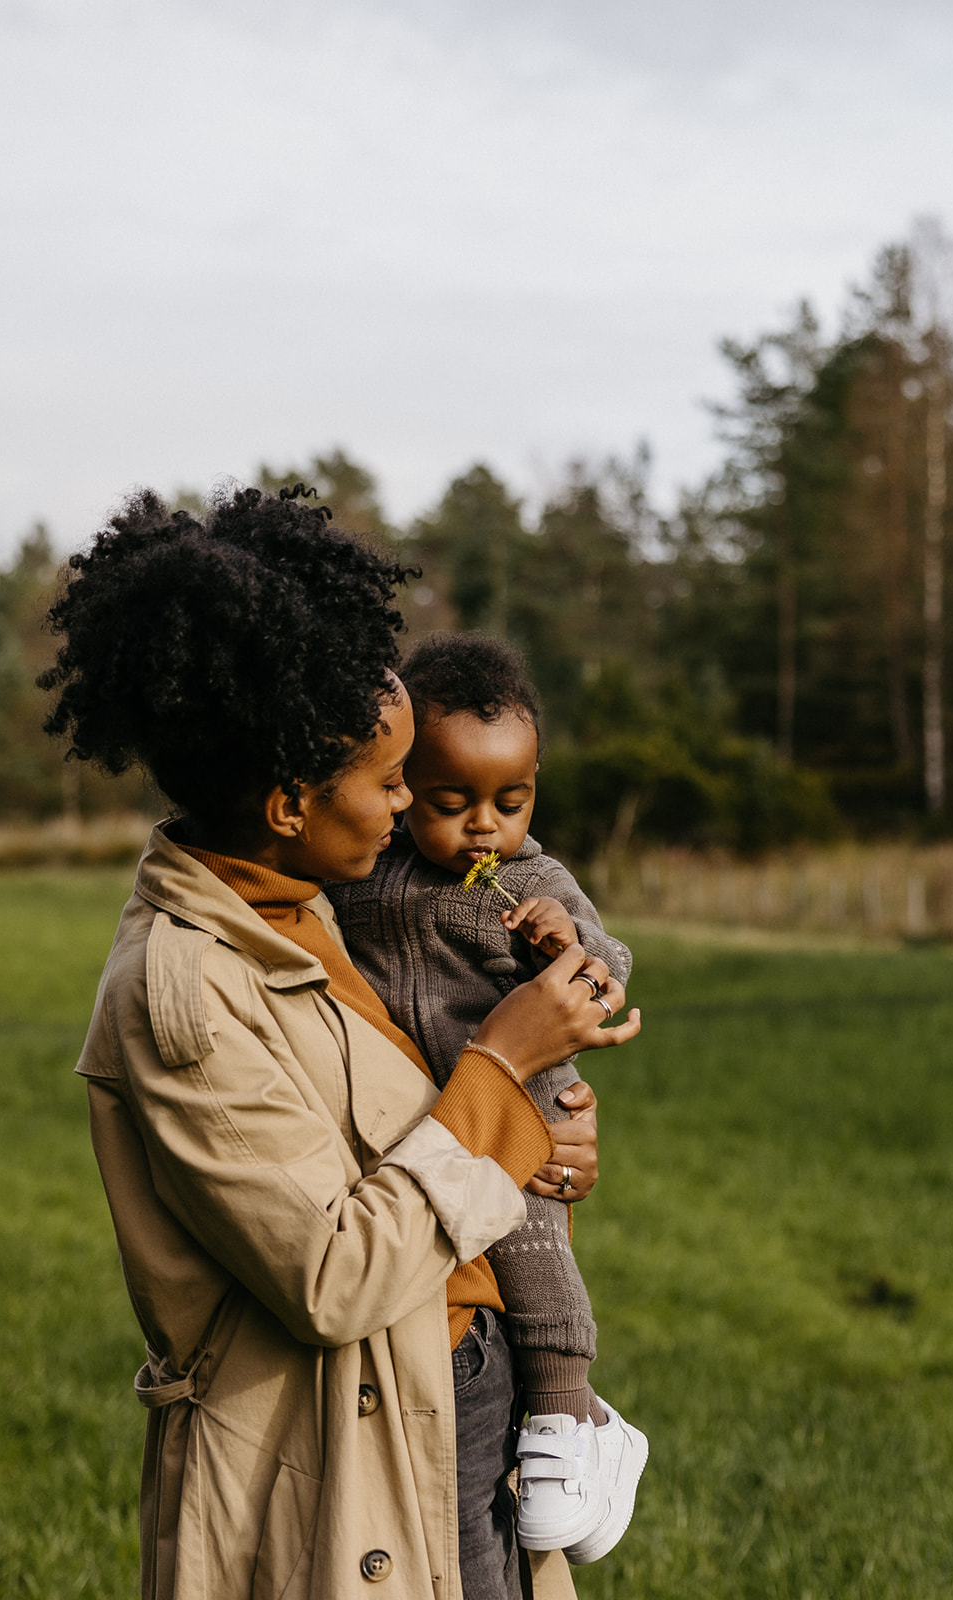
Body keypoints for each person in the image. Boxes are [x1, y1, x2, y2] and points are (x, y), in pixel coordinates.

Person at [38, 485, 640, 1600]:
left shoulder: (309, 903)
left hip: (456, 1379)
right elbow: (331, 1271)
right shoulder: (185, 990)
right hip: (349, 1439)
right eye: (388, 780)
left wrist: (539, 1139)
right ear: (285, 801)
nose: (410, 804)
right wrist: (502, 1069)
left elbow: (404, 1126)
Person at [326, 632, 648, 1565]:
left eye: (511, 802)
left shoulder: (531, 880)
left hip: (517, 1095)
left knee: (530, 1243)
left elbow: (607, 969)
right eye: (449, 801)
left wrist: (563, 947)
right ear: (400, 785)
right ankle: (572, 1418)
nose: (482, 828)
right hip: (429, 1106)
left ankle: (565, 1417)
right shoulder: (366, 874)